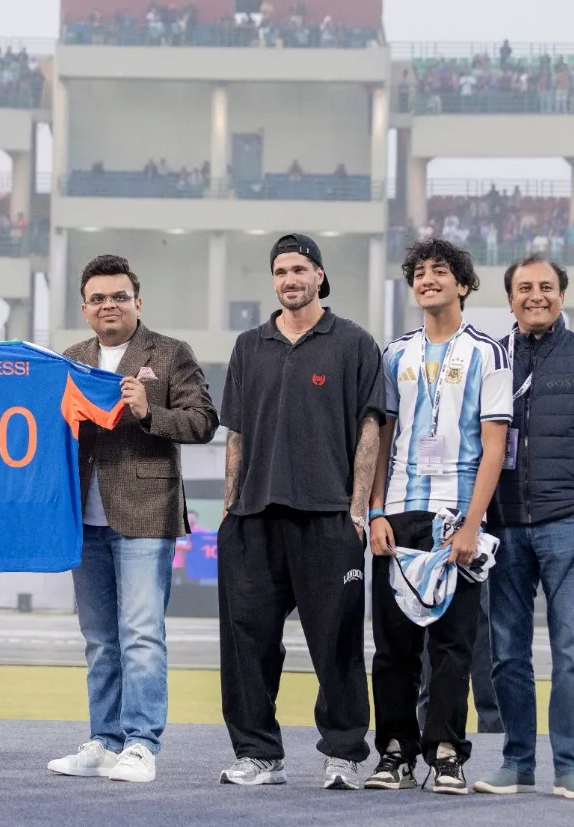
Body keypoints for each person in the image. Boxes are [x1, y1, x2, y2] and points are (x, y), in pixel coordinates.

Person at [218, 233, 383, 789]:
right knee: (247, 642)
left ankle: (344, 755)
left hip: (328, 516)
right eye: (280, 270)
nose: (290, 279)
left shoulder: (354, 343)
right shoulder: (249, 345)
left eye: (299, 269)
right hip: (253, 517)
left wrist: (357, 509)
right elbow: (236, 434)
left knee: (336, 643)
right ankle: (259, 754)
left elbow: (370, 429)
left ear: (319, 275)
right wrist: (229, 510)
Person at [48, 255, 217, 783]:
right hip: (84, 517)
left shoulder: (169, 354)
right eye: (98, 298)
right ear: (85, 307)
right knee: (100, 638)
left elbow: (204, 421)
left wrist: (150, 412)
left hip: (146, 513)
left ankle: (142, 743)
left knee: (141, 633)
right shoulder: (70, 357)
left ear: (137, 303)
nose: (109, 305)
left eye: (119, 296)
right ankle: (104, 739)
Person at [366, 238, 510, 794]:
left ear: (463, 284)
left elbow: (494, 446)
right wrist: (375, 511)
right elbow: (380, 441)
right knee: (394, 644)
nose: (428, 280)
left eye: (440, 272)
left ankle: (447, 752)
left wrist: (474, 524)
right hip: (399, 511)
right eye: (419, 273)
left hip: (458, 516)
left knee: (453, 645)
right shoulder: (394, 353)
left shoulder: (488, 352)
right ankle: (395, 752)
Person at [473, 255, 574, 800]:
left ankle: (570, 764)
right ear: (509, 298)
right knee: (507, 653)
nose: (536, 295)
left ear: (563, 293)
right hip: (504, 526)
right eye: (524, 288)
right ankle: (517, 761)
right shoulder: (492, 359)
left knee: (571, 650)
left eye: (547, 286)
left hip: (566, 524)